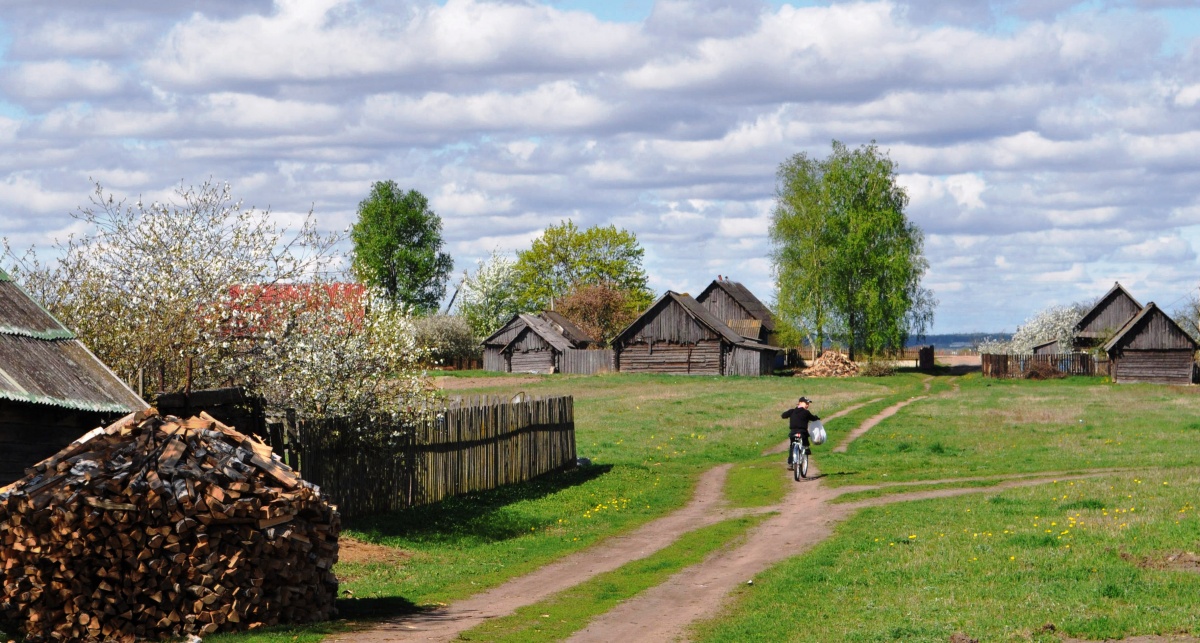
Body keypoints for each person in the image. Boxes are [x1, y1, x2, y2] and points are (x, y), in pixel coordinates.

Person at [782, 396, 820, 468]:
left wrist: (786, 415)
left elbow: (783, 415)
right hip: (802, 432)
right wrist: (816, 418)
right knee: (805, 439)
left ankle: (790, 462)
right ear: (799, 403)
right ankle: (806, 448)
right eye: (806, 403)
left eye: (808, 403)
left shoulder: (792, 411)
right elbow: (812, 418)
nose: (807, 405)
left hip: (793, 432)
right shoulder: (806, 412)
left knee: (792, 446)